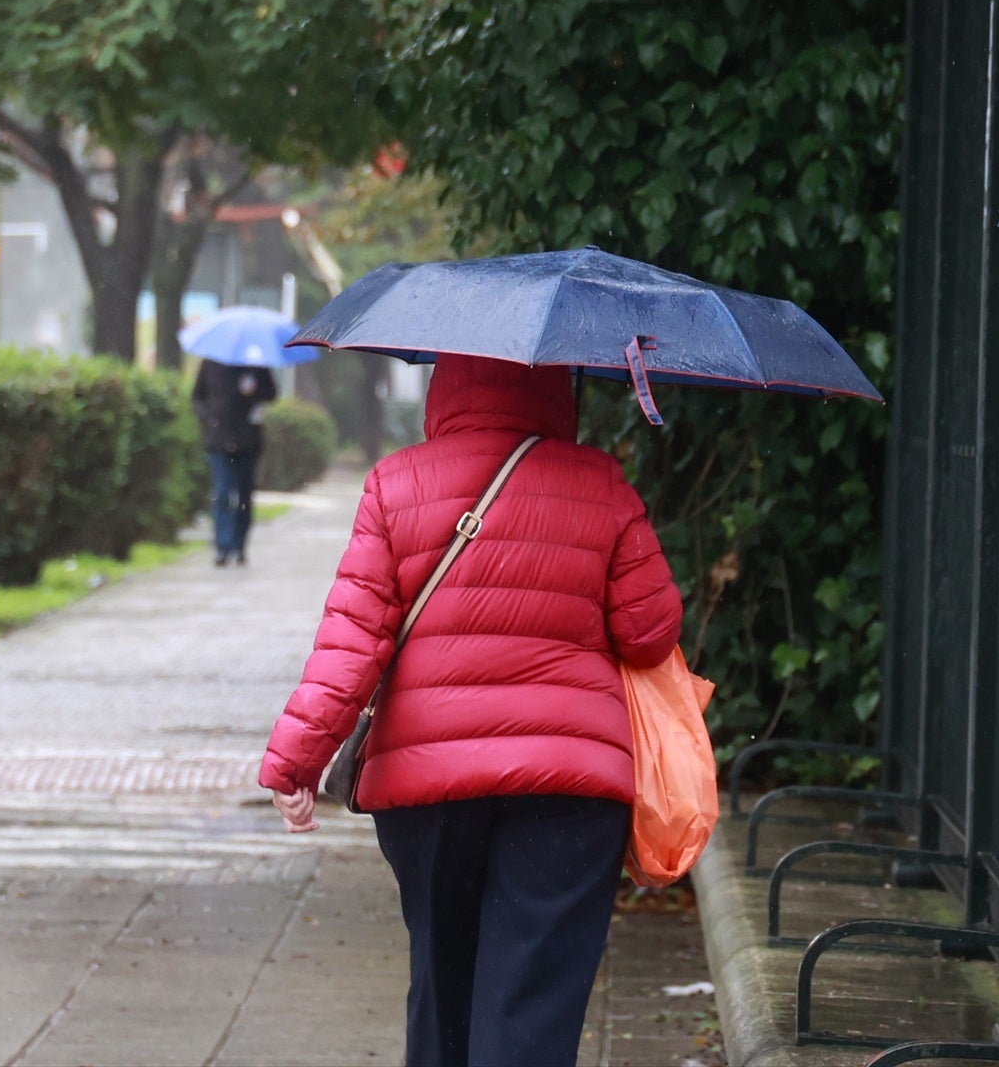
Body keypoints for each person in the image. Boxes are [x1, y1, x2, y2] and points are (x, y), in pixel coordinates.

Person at [261, 353, 683, 1067]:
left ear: (445, 388)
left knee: (441, 978)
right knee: (533, 1003)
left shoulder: (396, 484)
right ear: (555, 390)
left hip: (429, 785)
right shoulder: (601, 483)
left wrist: (295, 761)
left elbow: (352, 641)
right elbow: (650, 634)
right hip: (568, 788)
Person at [191, 358, 277, 566]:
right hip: (219, 441)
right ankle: (222, 545)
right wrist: (209, 418)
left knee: (244, 495)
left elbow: (271, 393)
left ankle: (239, 545)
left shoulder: (255, 363)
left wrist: (254, 390)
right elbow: (197, 397)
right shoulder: (211, 363)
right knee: (221, 492)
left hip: (248, 441)